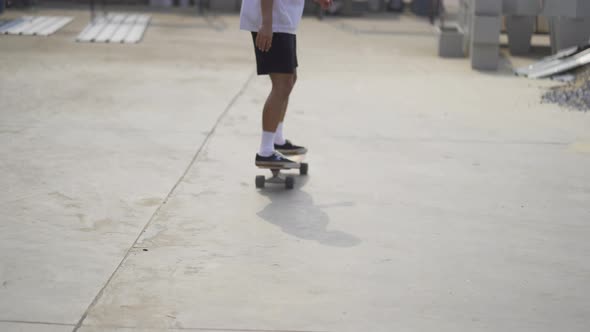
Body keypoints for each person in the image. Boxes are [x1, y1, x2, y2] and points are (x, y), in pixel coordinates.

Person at [240, 0, 332, 168]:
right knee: (282, 84)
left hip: (282, 19)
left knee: (289, 80)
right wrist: (267, 23)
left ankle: (276, 139)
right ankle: (266, 151)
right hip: (273, 20)